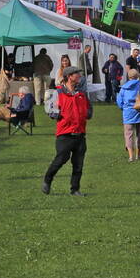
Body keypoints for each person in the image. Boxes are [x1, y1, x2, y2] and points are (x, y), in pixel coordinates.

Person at [42, 68, 91, 196]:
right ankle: (48, 179)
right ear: (69, 76)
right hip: (65, 134)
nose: (80, 75)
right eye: (77, 74)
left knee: (78, 164)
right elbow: (49, 109)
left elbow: (89, 108)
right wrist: (56, 114)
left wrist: (87, 113)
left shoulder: (82, 93)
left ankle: (75, 189)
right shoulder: (58, 92)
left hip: (80, 133)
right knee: (61, 158)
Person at [118, 67, 140, 162]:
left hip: (128, 114)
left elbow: (119, 101)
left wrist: (124, 108)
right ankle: (138, 153)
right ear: (137, 76)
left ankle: (131, 156)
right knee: (139, 134)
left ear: (128, 77)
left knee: (128, 134)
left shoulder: (124, 87)